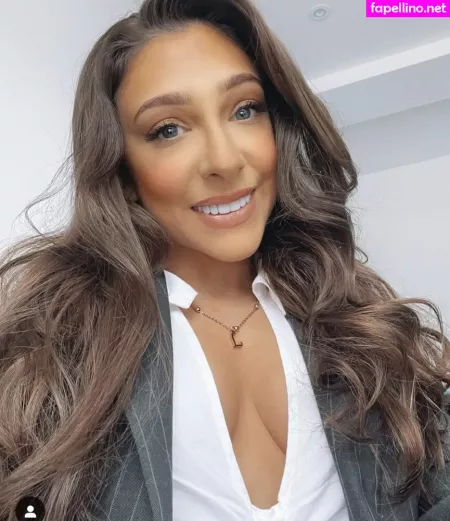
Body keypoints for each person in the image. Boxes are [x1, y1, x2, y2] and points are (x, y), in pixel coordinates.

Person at [0, 0, 449, 520]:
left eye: (244, 109)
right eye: (168, 129)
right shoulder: (64, 346)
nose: (225, 160)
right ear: (121, 168)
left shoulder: (351, 312)